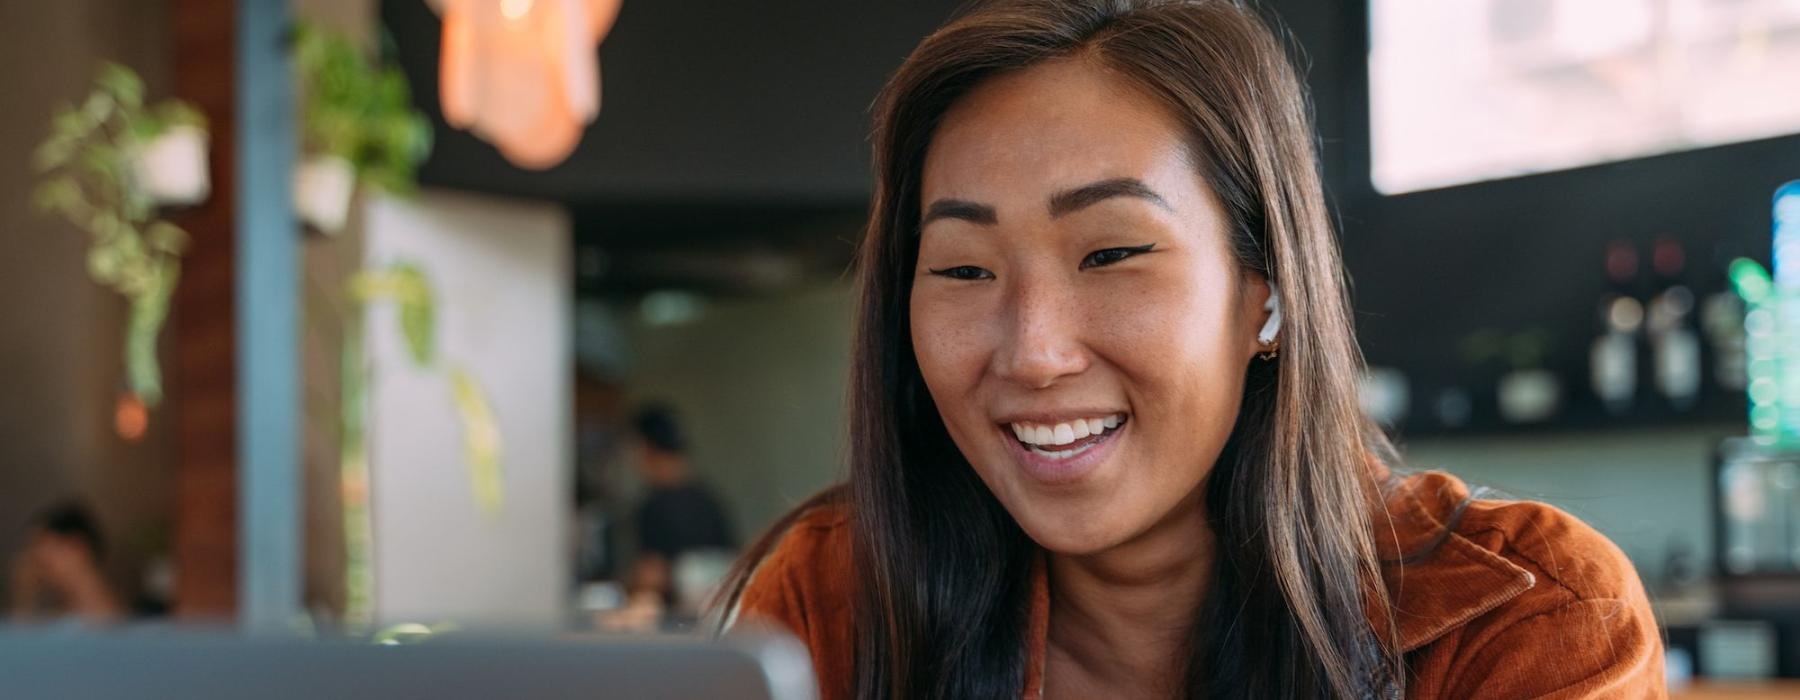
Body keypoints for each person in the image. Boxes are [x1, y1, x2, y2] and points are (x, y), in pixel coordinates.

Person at [715, 1, 1664, 697]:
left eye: (1114, 253)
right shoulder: (832, 599)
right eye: (963, 270)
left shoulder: (1528, 618)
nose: (1034, 352)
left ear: (1268, 292)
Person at [617, 404, 734, 625]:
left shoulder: (654, 505)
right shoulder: (710, 500)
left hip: (674, 627)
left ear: (644, 447)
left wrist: (620, 585)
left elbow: (652, 576)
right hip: (716, 625)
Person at [8, 501, 124, 625]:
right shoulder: (55, 619)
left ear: (78, 547)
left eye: (45, 550)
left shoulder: (117, 620)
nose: (36, 566)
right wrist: (24, 596)